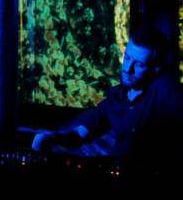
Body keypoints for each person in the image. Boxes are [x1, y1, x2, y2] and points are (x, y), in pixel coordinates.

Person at [32, 24, 183, 162]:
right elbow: (83, 130)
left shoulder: (166, 92)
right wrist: (53, 137)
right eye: (127, 58)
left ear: (156, 69)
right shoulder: (117, 97)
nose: (128, 68)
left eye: (139, 64)